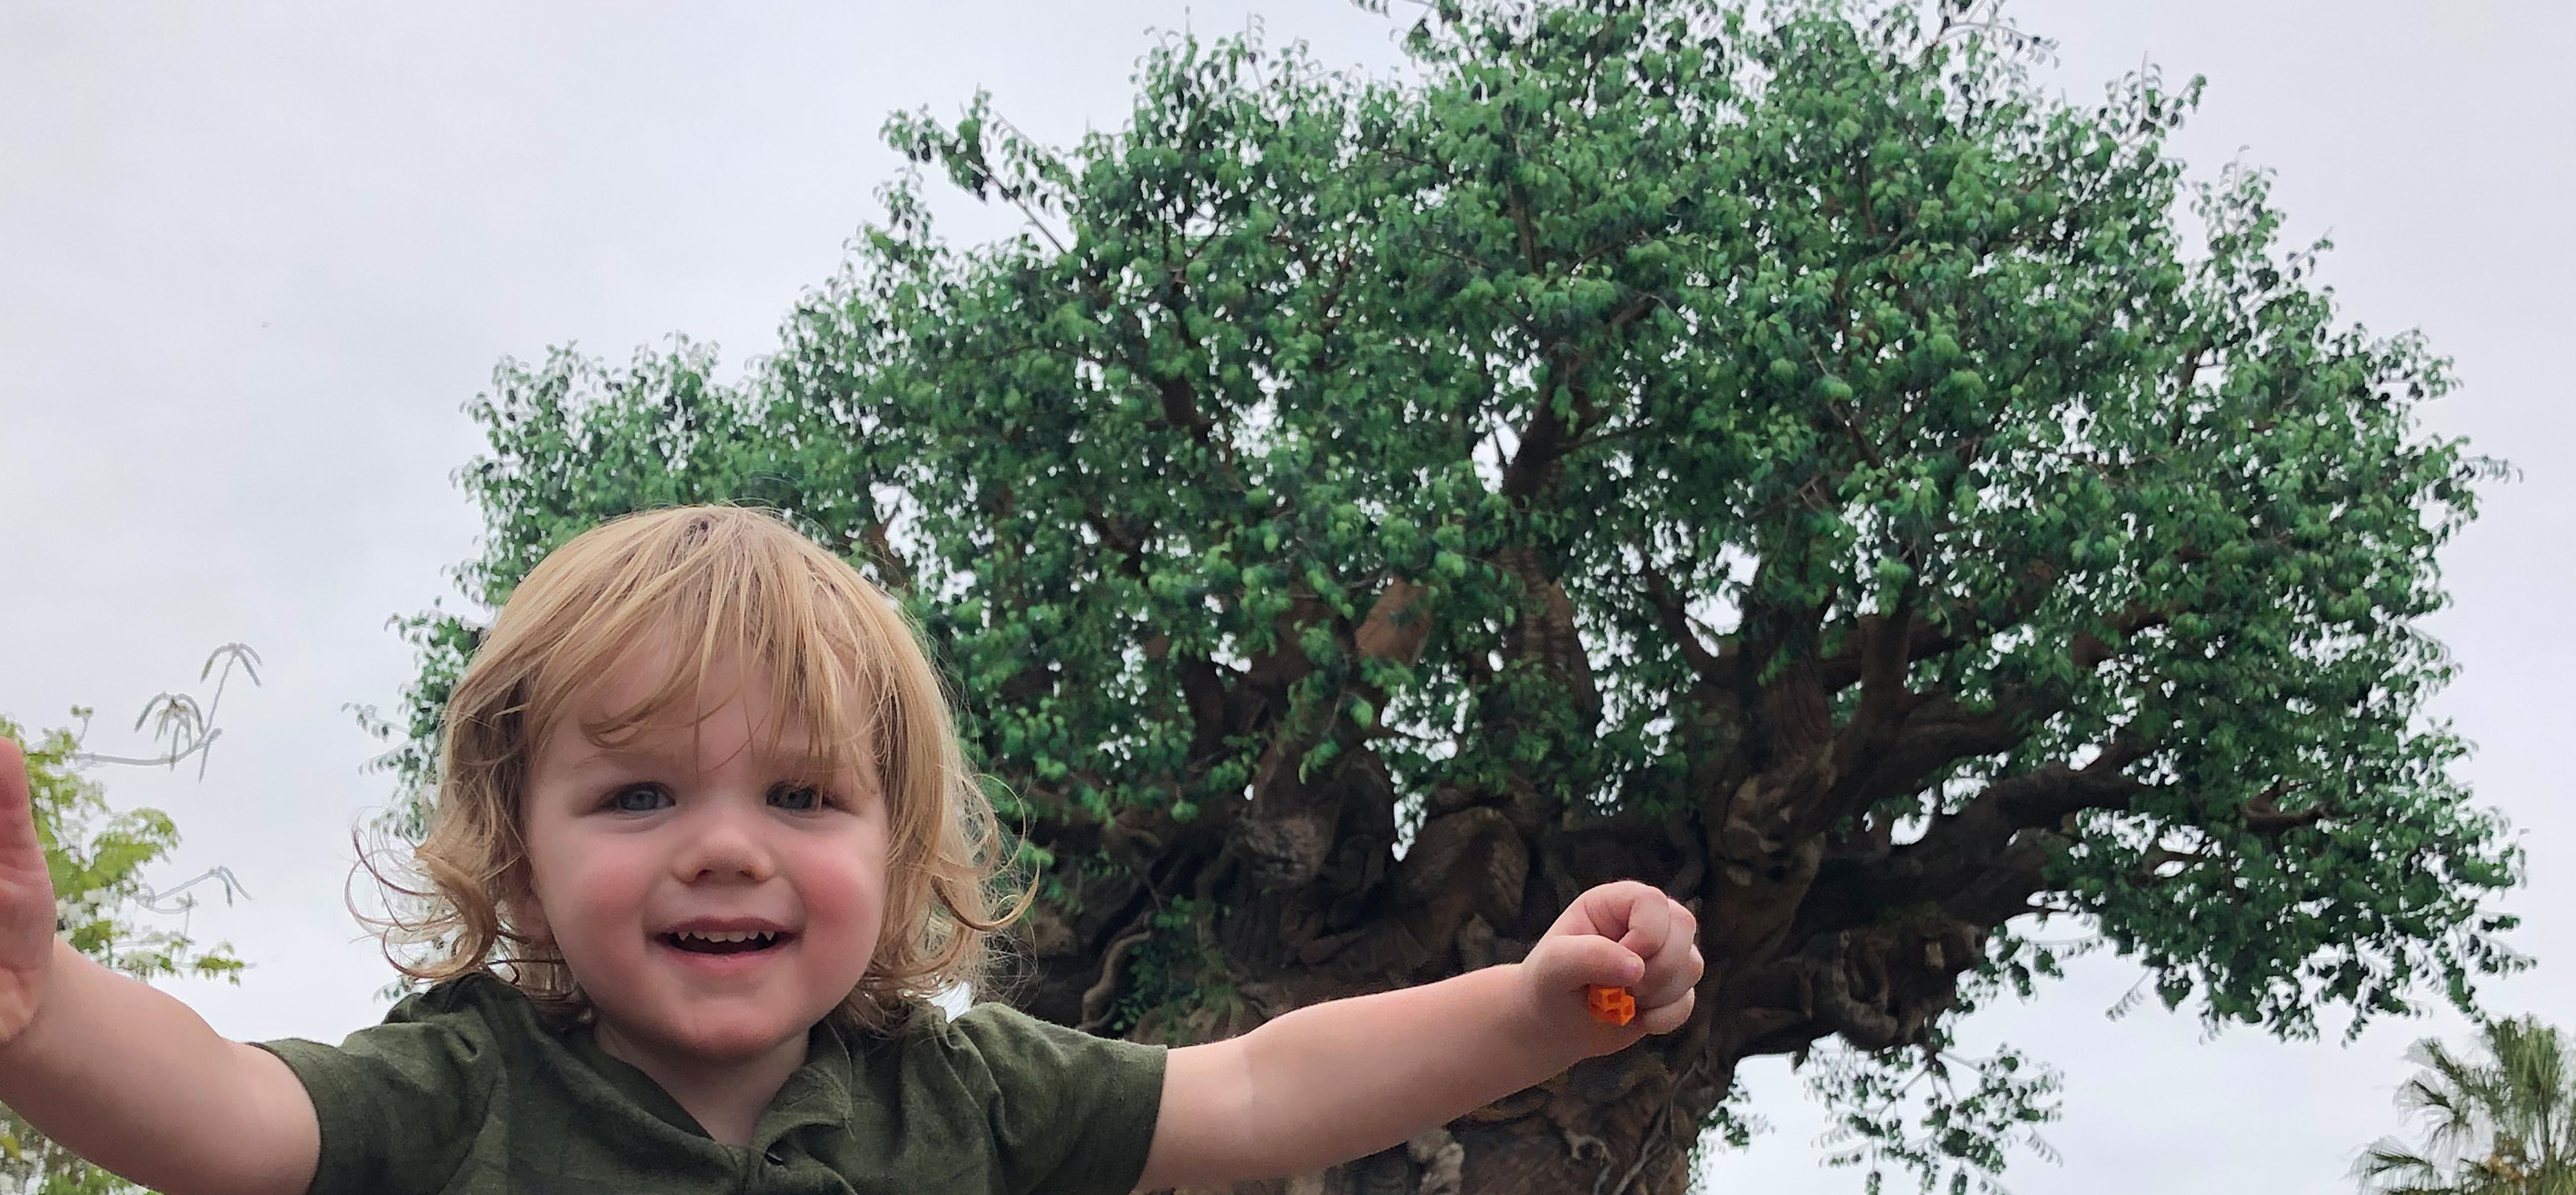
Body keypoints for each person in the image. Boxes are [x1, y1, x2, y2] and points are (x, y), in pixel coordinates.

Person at [0, 506, 1700, 1195]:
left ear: (898, 857)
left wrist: (1533, 1013)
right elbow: (222, 1113)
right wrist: (39, 1007)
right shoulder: (459, 1089)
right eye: (640, 796)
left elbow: (1255, 1094)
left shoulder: (961, 1095)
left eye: (803, 800)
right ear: (516, 856)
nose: (724, 849)